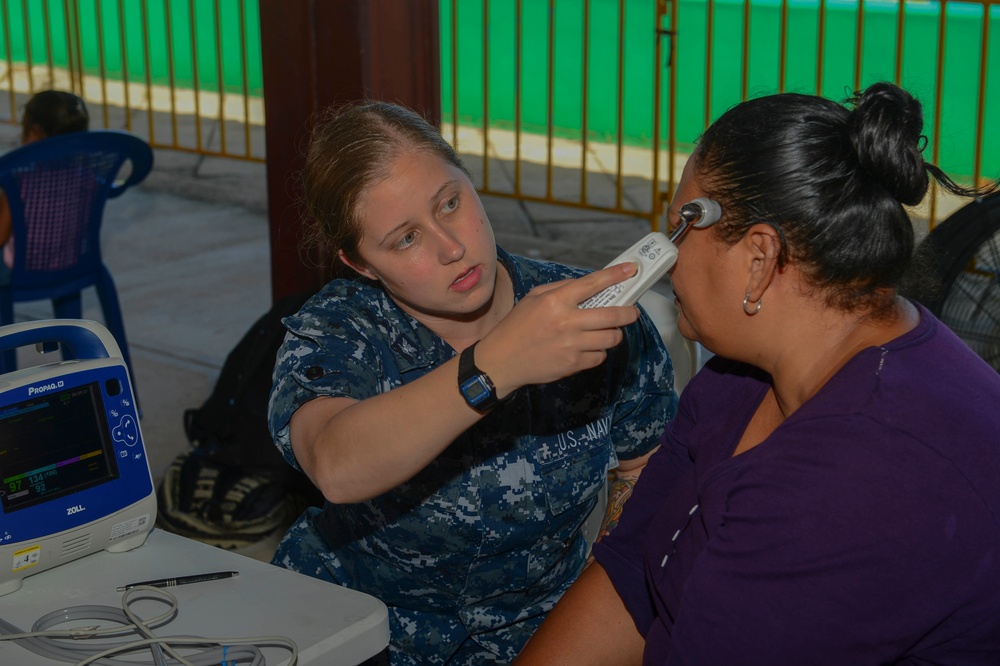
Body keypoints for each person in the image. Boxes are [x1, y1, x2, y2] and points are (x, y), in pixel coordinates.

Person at [516, 82, 1000, 664]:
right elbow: (631, 575)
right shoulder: (740, 377)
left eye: (679, 228)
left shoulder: (860, 478)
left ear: (759, 256)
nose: (664, 258)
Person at [267, 101, 678, 664]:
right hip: (359, 627)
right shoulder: (338, 332)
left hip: (537, 630)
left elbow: (645, 460)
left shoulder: (588, 315)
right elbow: (334, 463)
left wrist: (601, 593)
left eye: (450, 204)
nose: (451, 248)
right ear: (361, 264)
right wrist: (497, 364)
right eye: (405, 240)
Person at [0, 89, 90, 282]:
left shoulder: (17, 179)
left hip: (21, 269)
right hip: (71, 263)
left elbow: (1, 235)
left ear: (34, 133)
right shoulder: (86, 177)